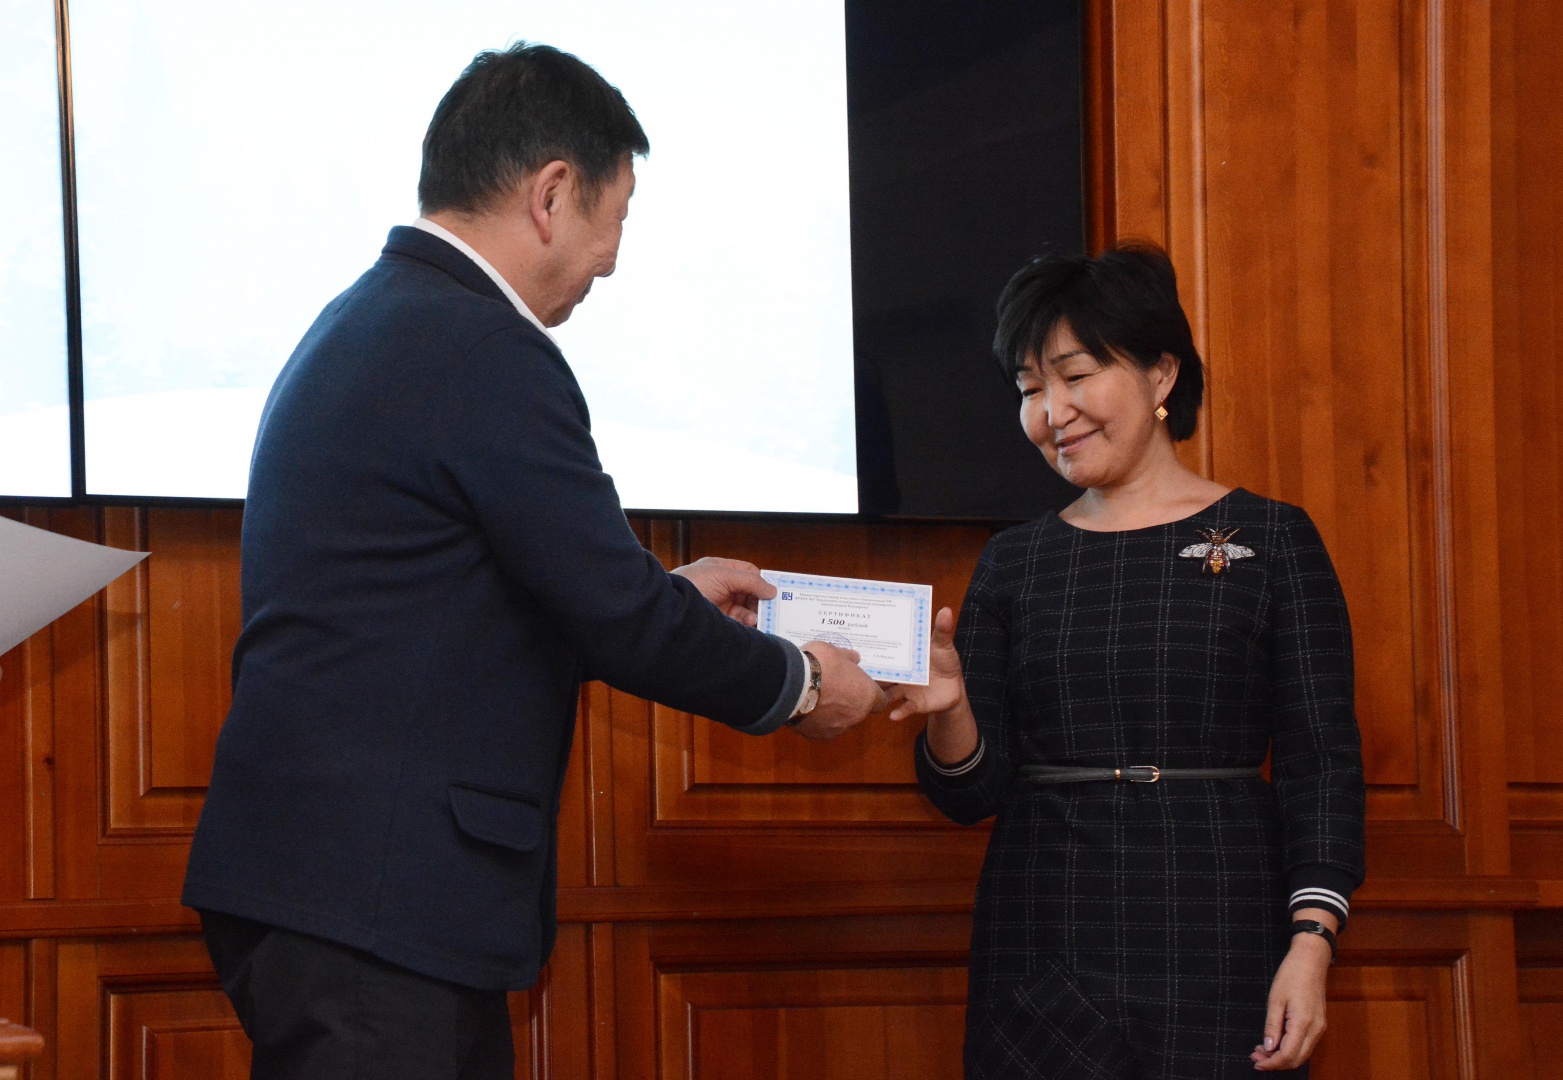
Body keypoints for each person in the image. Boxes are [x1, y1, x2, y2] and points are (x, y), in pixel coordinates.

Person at [182, 43, 886, 1080]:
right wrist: (804, 685)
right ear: (553, 194)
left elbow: (469, 595)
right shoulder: (481, 346)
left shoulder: (376, 318)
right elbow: (614, 614)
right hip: (379, 899)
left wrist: (666, 592)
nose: (613, 262)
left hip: (343, 890)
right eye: (619, 218)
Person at [886, 243, 1366, 1078]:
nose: (1052, 411)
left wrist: (1310, 942)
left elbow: (1320, 765)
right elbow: (969, 795)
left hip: (1221, 924)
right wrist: (951, 711)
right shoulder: (1013, 561)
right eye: (1029, 389)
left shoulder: (1273, 539)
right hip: (1041, 933)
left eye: (1074, 375)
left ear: (1159, 373)